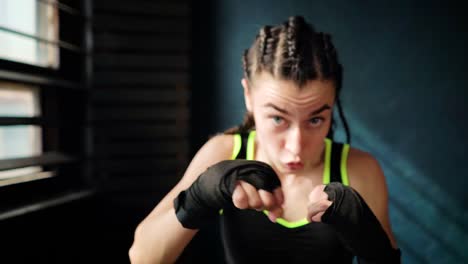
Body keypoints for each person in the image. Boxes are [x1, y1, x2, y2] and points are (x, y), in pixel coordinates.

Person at [129, 15, 401, 263]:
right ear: (248, 96)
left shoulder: (359, 169)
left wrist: (370, 242)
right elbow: (142, 257)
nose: (295, 147)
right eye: (278, 119)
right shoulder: (224, 152)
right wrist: (196, 199)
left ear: (333, 103)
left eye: (315, 119)